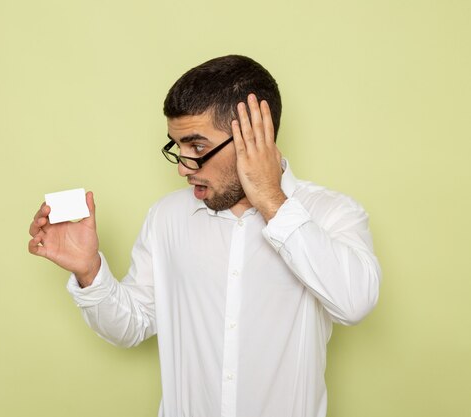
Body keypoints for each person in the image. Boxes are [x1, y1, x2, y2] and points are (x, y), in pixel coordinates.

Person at [28, 55, 381, 417]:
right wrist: (89, 274)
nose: (182, 166)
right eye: (177, 147)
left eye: (197, 147)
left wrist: (272, 200)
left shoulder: (332, 213)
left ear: (254, 138)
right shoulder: (167, 217)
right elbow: (131, 326)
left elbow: (354, 303)